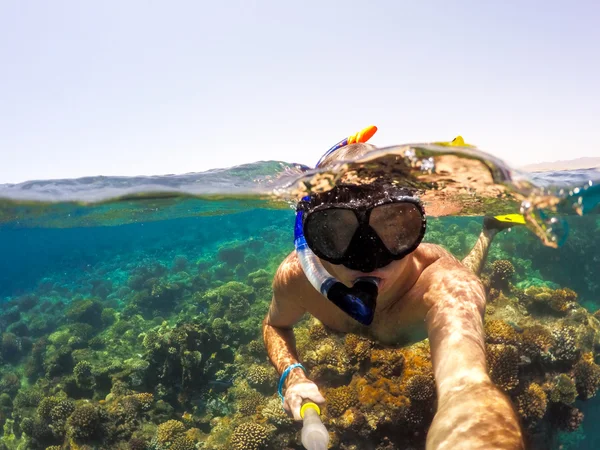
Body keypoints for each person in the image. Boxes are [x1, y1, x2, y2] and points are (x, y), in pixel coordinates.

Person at [262, 127, 525, 450]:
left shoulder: (444, 285)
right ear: (314, 241)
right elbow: (275, 324)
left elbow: (467, 388)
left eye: (394, 229)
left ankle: (489, 231)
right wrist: (293, 373)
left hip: (433, 280)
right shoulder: (297, 278)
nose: (368, 260)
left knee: (467, 271)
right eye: (336, 234)